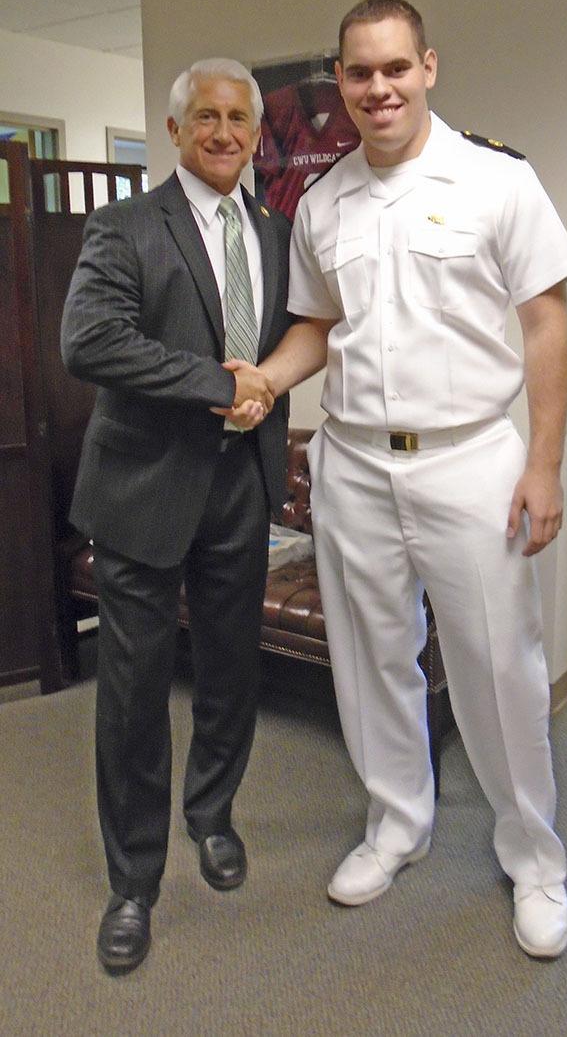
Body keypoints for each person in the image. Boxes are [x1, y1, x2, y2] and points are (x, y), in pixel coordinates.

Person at [248, 0, 567, 958]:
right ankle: (398, 823)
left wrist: (546, 463)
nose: (378, 87)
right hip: (352, 462)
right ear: (340, 84)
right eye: (360, 72)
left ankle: (535, 858)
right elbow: (316, 325)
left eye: (396, 67)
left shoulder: (497, 182)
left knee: (498, 670)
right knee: (370, 658)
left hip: (472, 459)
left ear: (428, 67)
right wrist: (269, 380)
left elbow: (547, 323)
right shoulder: (322, 201)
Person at [61, 58, 292, 973]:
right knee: (132, 692)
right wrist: (218, 385)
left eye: (239, 117)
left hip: (241, 486)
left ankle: (213, 814)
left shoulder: (274, 231)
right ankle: (134, 882)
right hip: (142, 489)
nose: (225, 132)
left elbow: (286, 342)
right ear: (176, 129)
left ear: (257, 129)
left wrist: (263, 386)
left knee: (232, 669)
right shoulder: (122, 227)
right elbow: (90, 339)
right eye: (207, 116)